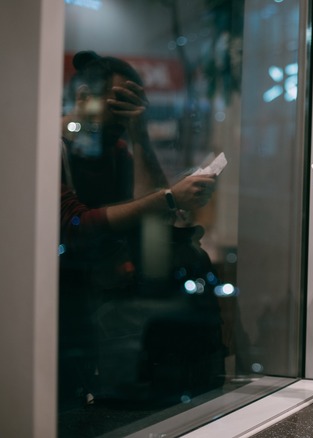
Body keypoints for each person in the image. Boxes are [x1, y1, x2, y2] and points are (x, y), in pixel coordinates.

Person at [58, 51, 223, 411]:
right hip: (59, 300)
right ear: (84, 97)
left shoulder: (115, 149)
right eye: (117, 101)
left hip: (106, 303)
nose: (124, 112)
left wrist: (140, 135)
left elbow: (156, 216)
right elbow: (76, 225)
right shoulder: (51, 147)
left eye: (134, 103)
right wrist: (168, 197)